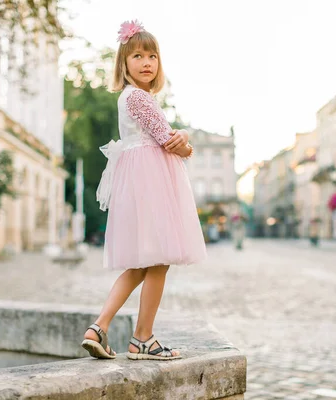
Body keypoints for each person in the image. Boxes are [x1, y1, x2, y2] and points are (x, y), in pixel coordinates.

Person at [81, 20, 207, 361]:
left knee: (142, 264)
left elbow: (163, 136)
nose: (146, 62)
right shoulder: (138, 98)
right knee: (159, 260)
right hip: (151, 183)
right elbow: (168, 141)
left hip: (142, 180)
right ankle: (142, 338)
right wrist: (185, 142)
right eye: (137, 55)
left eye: (152, 55)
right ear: (124, 63)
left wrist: (179, 138)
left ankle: (99, 328)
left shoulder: (133, 97)